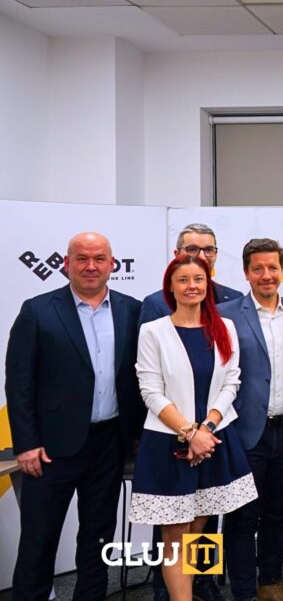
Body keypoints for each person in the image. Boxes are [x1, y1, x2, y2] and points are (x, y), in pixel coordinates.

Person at [5, 232, 143, 601]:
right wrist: (26, 444)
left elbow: (137, 378)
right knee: (39, 540)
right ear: (66, 264)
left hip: (109, 445)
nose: (90, 266)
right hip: (50, 449)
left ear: (112, 264)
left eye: (99, 259)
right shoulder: (37, 310)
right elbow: (19, 383)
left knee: (98, 537)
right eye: (82, 258)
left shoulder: (132, 310)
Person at [129, 254, 257, 601]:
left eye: (198, 279)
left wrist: (207, 428)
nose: (192, 286)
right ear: (170, 287)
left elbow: (231, 382)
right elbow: (150, 391)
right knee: (175, 535)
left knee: (198, 530)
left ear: (207, 284)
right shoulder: (153, 331)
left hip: (214, 439)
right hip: (169, 442)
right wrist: (189, 433)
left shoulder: (224, 328)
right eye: (183, 280)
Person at [218, 239, 283, 601]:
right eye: (258, 268)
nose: (266, 275)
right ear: (246, 272)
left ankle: (271, 583)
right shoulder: (226, 314)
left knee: (277, 512)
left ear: (282, 270)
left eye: (273, 268)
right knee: (242, 517)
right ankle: (243, 593)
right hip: (245, 433)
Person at [141, 223, 243, 324]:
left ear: (216, 254)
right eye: (192, 249)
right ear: (177, 254)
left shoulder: (235, 298)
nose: (202, 257)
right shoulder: (156, 304)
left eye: (209, 250)